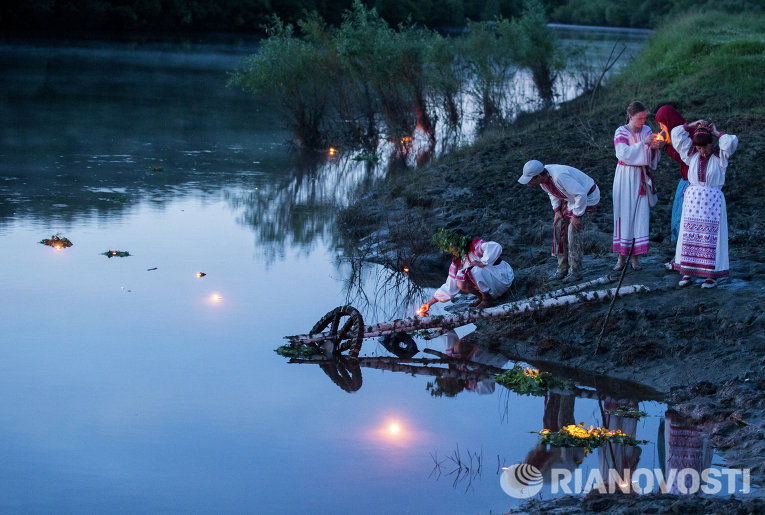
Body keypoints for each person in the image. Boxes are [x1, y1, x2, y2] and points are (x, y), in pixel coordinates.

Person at [669, 120, 737, 288]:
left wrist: (715, 131)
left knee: (709, 239)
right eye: (699, 148)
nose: (701, 151)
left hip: (712, 204)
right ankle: (687, 272)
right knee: (688, 236)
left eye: (704, 147)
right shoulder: (691, 155)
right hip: (692, 204)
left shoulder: (719, 157)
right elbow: (676, 135)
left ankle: (710, 276)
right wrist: (692, 125)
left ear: (710, 144)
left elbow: (731, 142)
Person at [518, 160, 600, 283]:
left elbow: (581, 194)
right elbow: (553, 193)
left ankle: (575, 271)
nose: (529, 183)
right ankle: (562, 268)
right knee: (559, 226)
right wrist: (557, 210)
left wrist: (577, 216)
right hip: (570, 197)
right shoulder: (543, 180)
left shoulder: (559, 176)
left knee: (573, 232)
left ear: (539, 176)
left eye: (531, 180)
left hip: (587, 197)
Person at [612, 101, 662, 271]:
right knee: (624, 214)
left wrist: (654, 148)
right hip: (625, 177)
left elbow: (652, 156)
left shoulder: (647, 130)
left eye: (644, 118)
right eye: (639, 118)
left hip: (641, 176)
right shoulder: (621, 131)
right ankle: (620, 257)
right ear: (630, 116)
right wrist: (643, 144)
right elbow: (623, 153)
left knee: (640, 216)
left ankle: (635, 258)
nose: (642, 121)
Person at [419, 228, 514, 312]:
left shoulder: (475, 246)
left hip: (502, 278)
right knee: (460, 280)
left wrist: (482, 262)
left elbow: (495, 246)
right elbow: (450, 285)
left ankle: (487, 300)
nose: (451, 250)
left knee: (474, 270)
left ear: (459, 242)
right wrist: (429, 303)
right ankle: (482, 297)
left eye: (451, 246)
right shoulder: (458, 260)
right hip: (492, 285)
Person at [654, 105, 694, 244]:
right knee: (678, 210)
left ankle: (681, 245)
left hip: (692, 180)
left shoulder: (686, 136)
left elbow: (684, 158)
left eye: (662, 124)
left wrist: (666, 147)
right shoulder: (681, 133)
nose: (661, 128)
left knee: (682, 214)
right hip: (686, 177)